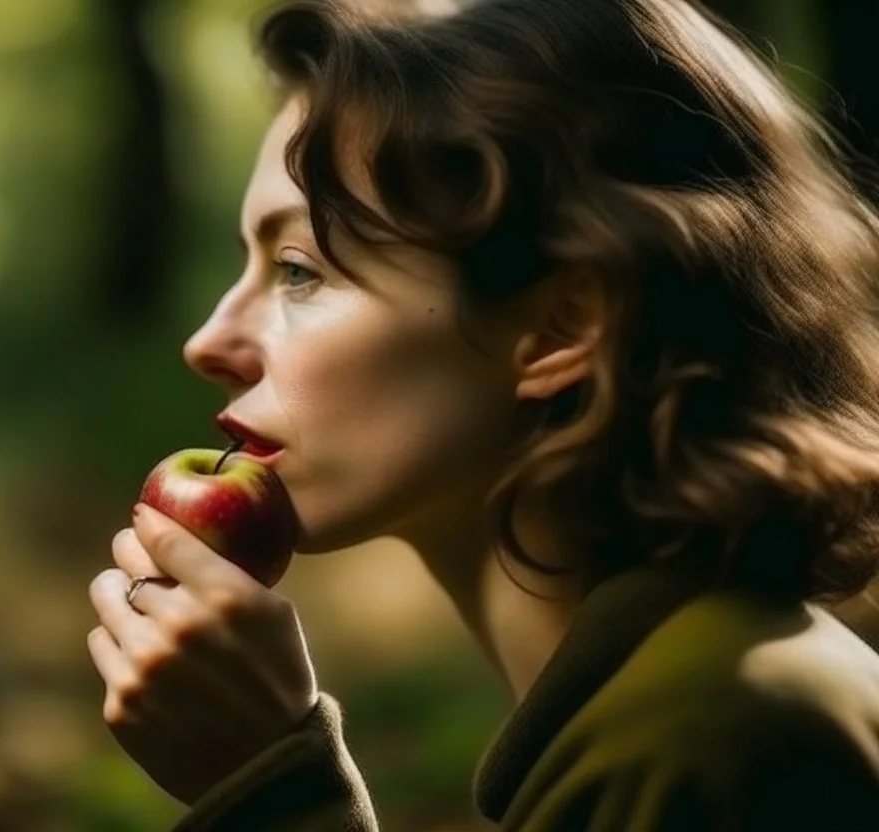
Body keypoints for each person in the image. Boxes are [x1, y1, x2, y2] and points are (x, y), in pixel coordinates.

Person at [86, 0, 879, 828]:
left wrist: (274, 793)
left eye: (297, 271)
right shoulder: (675, 706)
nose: (209, 342)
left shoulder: (726, 741)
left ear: (564, 324)